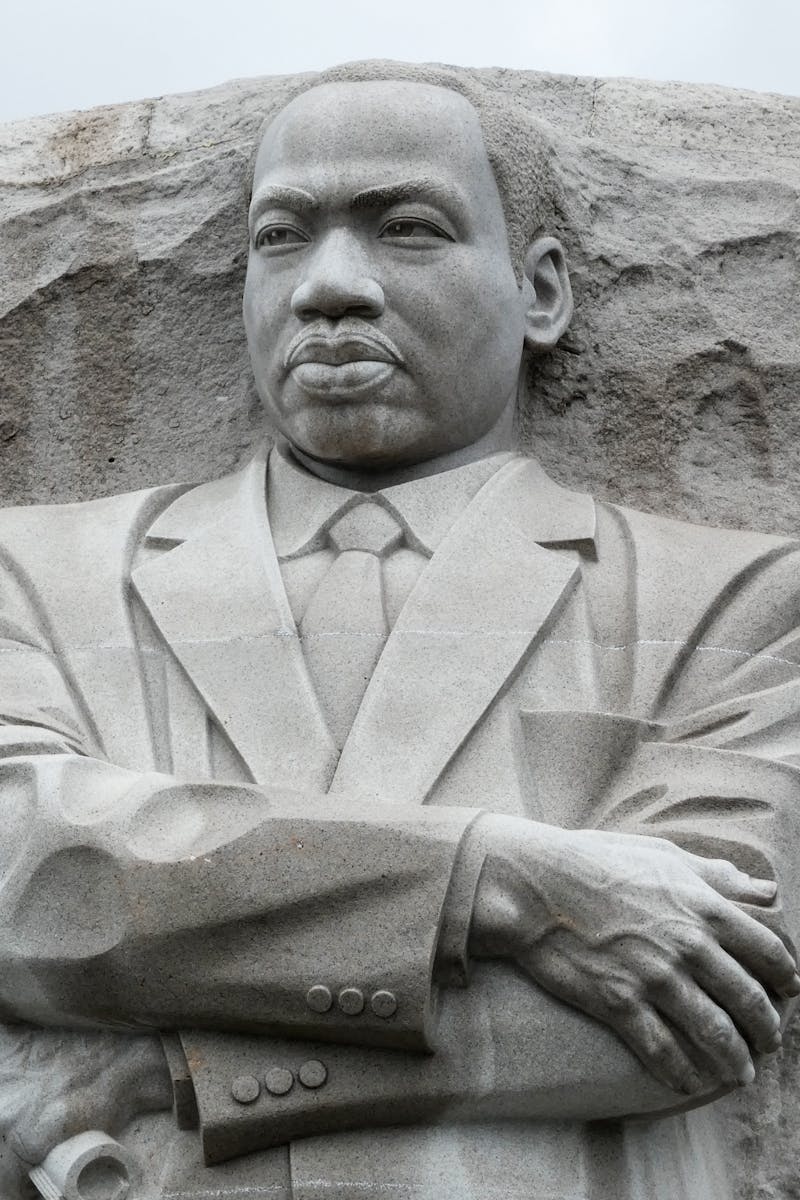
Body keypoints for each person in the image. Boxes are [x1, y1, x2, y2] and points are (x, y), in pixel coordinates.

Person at [1, 63, 800, 1200]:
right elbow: (26, 872)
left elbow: (691, 1001)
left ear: (541, 295)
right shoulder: (35, 573)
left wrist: (159, 1071)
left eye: (406, 228)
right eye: (283, 236)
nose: (329, 286)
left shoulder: (744, 602)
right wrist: (492, 878)